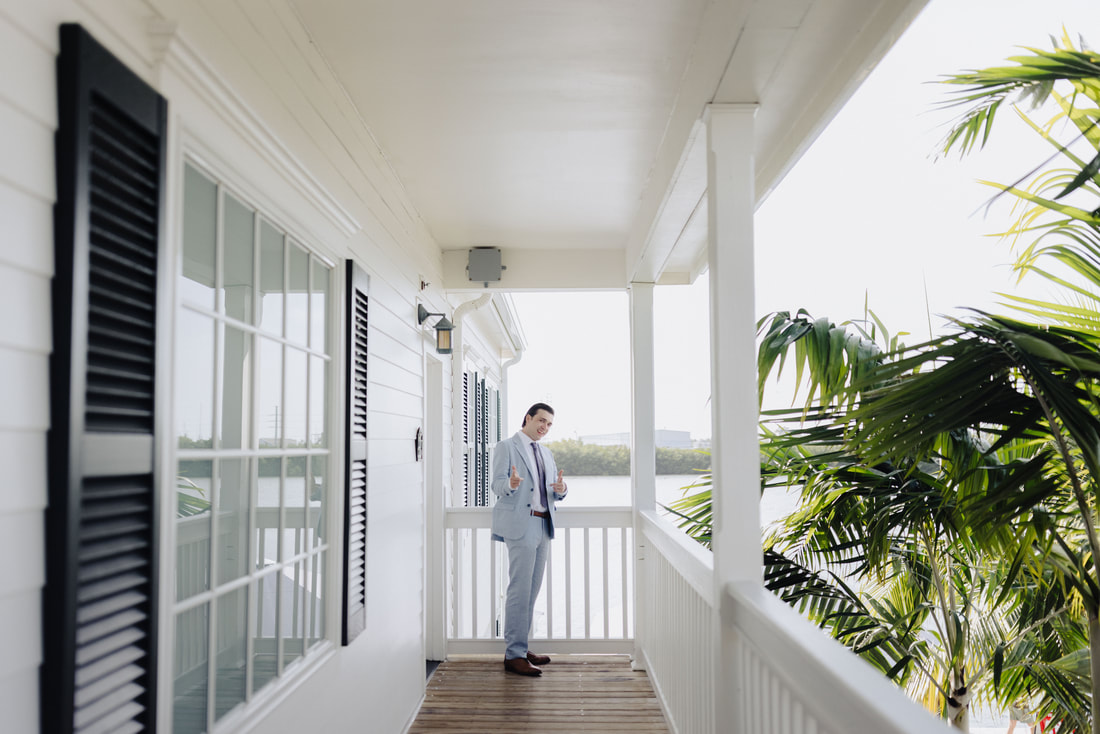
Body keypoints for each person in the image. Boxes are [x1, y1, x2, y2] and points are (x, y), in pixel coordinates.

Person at [490, 402, 568, 676]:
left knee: (532, 591)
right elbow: (496, 484)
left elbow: (553, 491)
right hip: (520, 526)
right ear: (528, 418)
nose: (544, 427)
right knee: (519, 590)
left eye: (549, 424)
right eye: (541, 421)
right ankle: (513, 655)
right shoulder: (507, 447)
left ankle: (521, 648)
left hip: (543, 524)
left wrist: (561, 489)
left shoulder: (546, 452)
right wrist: (510, 484)